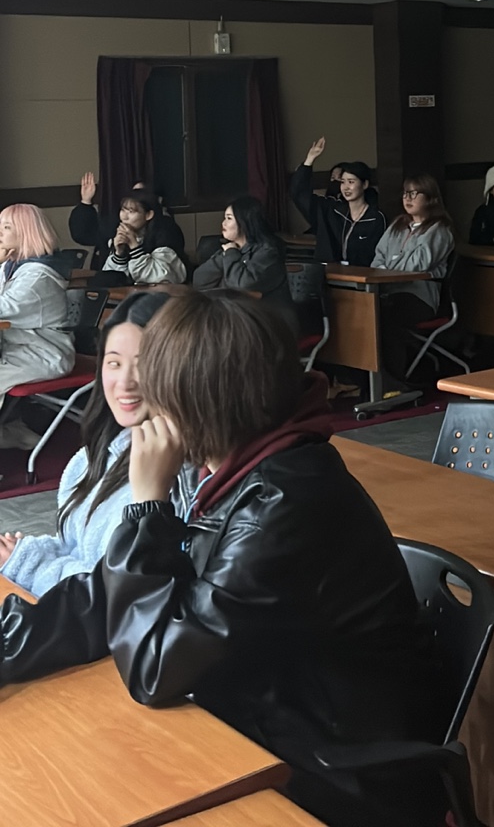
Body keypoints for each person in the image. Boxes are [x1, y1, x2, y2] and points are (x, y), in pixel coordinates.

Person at [0, 291, 442, 827]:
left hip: (331, 773)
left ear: (202, 403)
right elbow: (110, 597)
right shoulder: (243, 468)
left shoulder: (282, 503)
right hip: (262, 719)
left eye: (161, 394)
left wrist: (147, 507)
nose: (146, 412)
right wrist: (10, 642)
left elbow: (155, 669)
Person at [0, 292, 172, 595]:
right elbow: (75, 549)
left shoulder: (178, 477)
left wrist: (28, 563)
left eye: (143, 364)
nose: (125, 382)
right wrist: (24, 552)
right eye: (114, 363)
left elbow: (119, 597)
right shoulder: (93, 457)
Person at [0, 204, 74, 449]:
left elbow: (3, 307)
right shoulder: (12, 266)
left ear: (26, 232)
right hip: (18, 348)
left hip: (44, 354)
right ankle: (14, 432)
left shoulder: (39, 276)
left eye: (6, 227)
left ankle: (13, 433)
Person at [371, 175, 455, 382]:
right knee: (364, 312)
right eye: (405, 193)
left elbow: (417, 265)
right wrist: (389, 268)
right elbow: (377, 258)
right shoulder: (398, 225)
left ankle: (393, 382)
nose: (407, 198)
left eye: (414, 193)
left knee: (385, 316)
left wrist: (388, 268)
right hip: (389, 291)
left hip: (420, 298)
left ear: (431, 198)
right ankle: (366, 379)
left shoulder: (439, 230)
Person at [192, 195, 296, 332]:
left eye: (229, 218)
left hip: (272, 322)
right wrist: (227, 255)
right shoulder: (231, 248)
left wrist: (230, 255)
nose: (223, 223)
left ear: (244, 222)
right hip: (242, 318)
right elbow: (199, 280)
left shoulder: (268, 252)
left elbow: (243, 285)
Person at [291, 139, 386, 266]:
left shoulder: (376, 218)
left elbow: (379, 256)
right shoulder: (332, 209)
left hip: (361, 275)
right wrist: (309, 160)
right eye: (342, 182)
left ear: (365, 184)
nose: (346, 187)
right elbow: (299, 194)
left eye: (351, 182)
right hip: (330, 273)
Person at [100, 190, 186, 285]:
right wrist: (119, 254)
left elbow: (161, 277)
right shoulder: (118, 234)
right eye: (123, 210)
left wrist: (135, 247)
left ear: (148, 215)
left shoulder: (164, 233)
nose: (124, 217)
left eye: (131, 211)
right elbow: (109, 278)